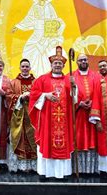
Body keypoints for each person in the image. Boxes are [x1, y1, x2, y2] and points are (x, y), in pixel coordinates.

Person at [29, 46, 76, 179]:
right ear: (51, 64)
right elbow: (34, 95)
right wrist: (45, 95)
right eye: (55, 63)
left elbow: (74, 99)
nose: (57, 65)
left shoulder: (68, 80)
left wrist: (74, 87)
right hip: (47, 120)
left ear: (63, 66)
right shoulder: (42, 79)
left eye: (60, 63)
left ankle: (63, 173)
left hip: (64, 120)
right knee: (47, 142)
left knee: (63, 143)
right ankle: (46, 172)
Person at [12, 0, 65, 76]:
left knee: (46, 54)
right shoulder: (35, 6)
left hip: (47, 34)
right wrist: (18, 26)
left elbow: (55, 19)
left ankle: (46, 74)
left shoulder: (49, 6)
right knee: (29, 50)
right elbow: (29, 18)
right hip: (37, 33)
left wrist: (54, 27)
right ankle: (36, 74)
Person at [71, 53, 101, 174]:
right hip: (78, 115)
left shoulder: (97, 76)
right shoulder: (71, 76)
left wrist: (93, 103)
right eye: (80, 60)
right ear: (77, 62)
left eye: (85, 60)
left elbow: (101, 93)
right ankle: (78, 170)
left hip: (93, 115)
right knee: (78, 139)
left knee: (92, 140)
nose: (83, 62)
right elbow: (68, 95)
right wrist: (78, 103)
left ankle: (91, 170)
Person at [7, 59, 37, 173]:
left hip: (32, 116)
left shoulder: (36, 81)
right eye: (23, 66)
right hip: (19, 116)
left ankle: (33, 166)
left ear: (30, 68)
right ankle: (20, 166)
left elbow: (40, 95)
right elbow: (9, 96)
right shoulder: (14, 82)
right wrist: (20, 97)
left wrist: (31, 97)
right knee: (19, 139)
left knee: (33, 139)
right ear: (20, 68)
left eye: (27, 66)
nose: (25, 68)